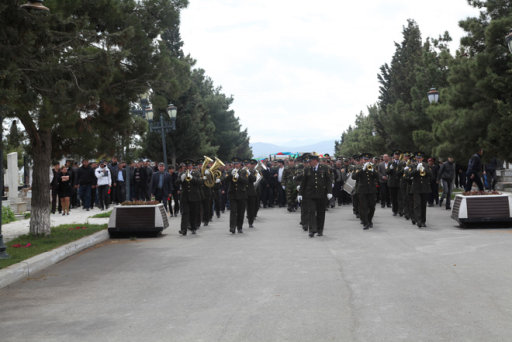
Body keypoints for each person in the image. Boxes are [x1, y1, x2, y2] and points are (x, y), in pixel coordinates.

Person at [298, 153, 332, 237]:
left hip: (321, 194)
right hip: (310, 195)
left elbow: (328, 181)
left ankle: (320, 230)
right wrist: (300, 194)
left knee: (321, 212)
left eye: (311, 161)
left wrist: (329, 192)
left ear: (315, 161)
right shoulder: (307, 169)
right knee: (311, 212)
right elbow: (303, 182)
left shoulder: (324, 168)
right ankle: (312, 230)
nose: (309, 162)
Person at [352, 153, 379, 229]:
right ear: (362, 160)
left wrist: (373, 170)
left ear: (370, 160)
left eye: (367, 159)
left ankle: (369, 220)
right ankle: (365, 222)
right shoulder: (358, 167)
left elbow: (378, 176)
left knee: (372, 207)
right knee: (363, 207)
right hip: (362, 190)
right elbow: (354, 177)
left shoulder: (373, 166)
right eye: (365, 159)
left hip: (372, 190)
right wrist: (362, 170)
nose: (366, 161)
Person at [226, 157, 249, 234]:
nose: (236, 165)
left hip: (242, 194)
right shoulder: (230, 171)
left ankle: (239, 227)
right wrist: (230, 175)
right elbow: (225, 180)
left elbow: (246, 181)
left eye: (237, 164)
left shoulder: (244, 171)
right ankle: (232, 227)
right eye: (235, 164)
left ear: (240, 164)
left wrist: (239, 178)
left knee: (241, 212)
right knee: (233, 211)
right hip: (232, 194)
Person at [178, 160, 201, 235]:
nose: (188, 167)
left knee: (193, 213)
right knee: (185, 213)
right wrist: (181, 179)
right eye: (187, 166)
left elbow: (199, 182)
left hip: (194, 196)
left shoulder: (196, 173)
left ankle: (193, 228)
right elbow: (176, 182)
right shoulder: (182, 173)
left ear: (192, 166)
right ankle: (183, 230)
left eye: (189, 166)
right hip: (185, 196)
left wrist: (192, 178)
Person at [410, 152, 432, 228]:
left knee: (423, 205)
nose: (419, 159)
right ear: (416, 158)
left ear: (422, 158)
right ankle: (418, 220)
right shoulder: (413, 165)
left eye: (420, 158)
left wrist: (424, 169)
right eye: (417, 158)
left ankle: (423, 221)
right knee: (417, 205)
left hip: (425, 188)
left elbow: (430, 174)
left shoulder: (426, 165)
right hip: (416, 188)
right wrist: (417, 169)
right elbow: (410, 174)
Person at [386, 151, 401, 216]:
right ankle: (394, 210)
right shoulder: (390, 163)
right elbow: (387, 172)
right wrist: (390, 169)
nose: (397, 156)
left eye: (398, 155)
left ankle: (400, 210)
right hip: (392, 183)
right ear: (394, 155)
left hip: (399, 182)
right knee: (393, 197)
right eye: (396, 155)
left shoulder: (401, 162)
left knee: (400, 197)